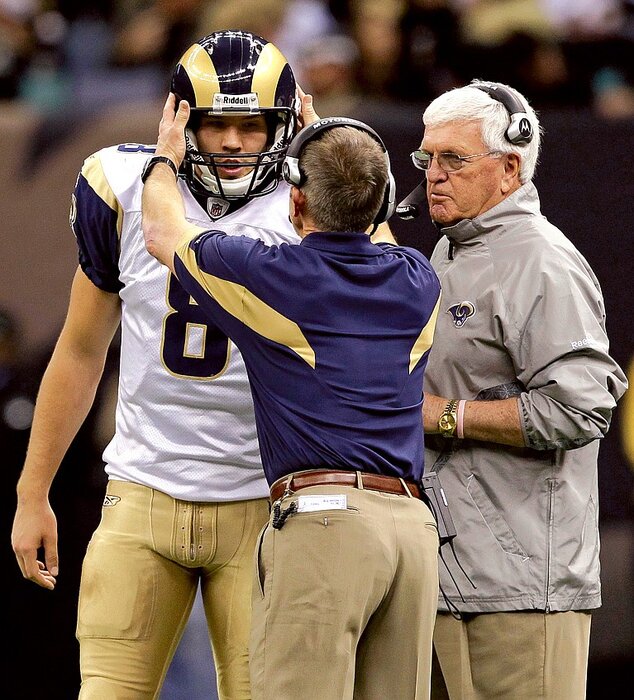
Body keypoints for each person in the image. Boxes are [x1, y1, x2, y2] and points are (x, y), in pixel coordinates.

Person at [11, 30, 330, 699]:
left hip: (263, 499)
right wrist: (32, 492)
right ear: (180, 119)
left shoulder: (311, 203)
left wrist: (327, 159)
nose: (235, 143)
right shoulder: (123, 187)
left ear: (284, 126)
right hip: (143, 492)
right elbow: (80, 349)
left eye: (253, 125)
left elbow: (385, 286)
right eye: (217, 124)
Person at [141, 98, 442, 699]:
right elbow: (376, 230)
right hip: (412, 532)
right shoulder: (417, 277)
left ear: (296, 201)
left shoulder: (273, 274)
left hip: (324, 524)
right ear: (383, 199)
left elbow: (160, 232)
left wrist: (165, 160)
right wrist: (335, 153)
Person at [409, 80, 628, 699]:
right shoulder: (451, 253)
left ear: (510, 168)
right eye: (428, 157)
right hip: (452, 576)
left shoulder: (541, 261)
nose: (434, 175)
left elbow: (581, 407)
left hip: (523, 584)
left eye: (454, 159)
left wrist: (443, 416)